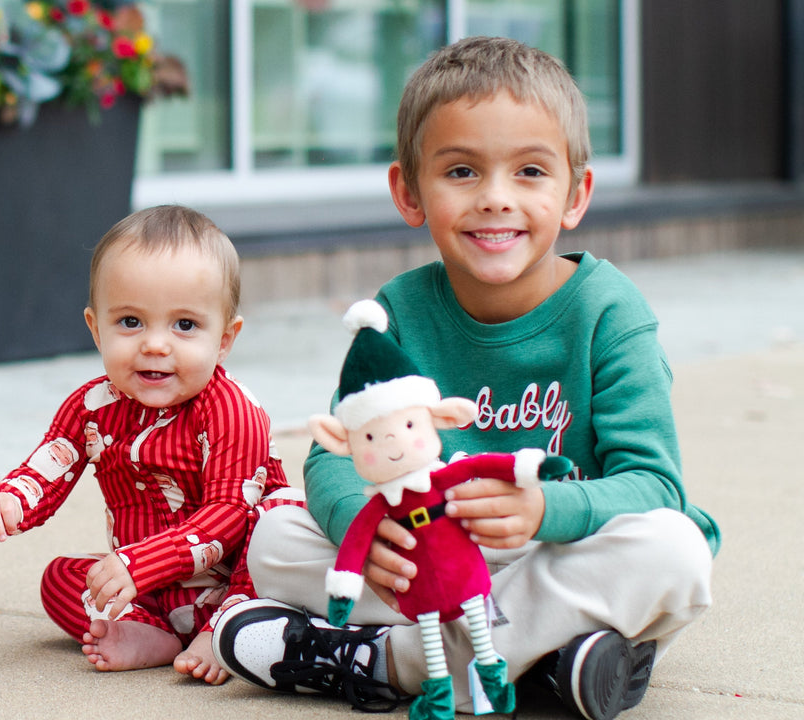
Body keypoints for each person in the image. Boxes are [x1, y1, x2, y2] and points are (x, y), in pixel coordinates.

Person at [213, 36, 720, 720]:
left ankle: (391, 663)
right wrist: (367, 530)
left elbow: (655, 484)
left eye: (531, 172)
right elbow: (335, 456)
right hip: (431, 558)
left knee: (676, 551)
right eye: (461, 172)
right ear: (409, 191)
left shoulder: (609, 312)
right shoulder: (398, 311)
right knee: (278, 537)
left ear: (576, 194)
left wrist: (546, 510)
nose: (495, 199)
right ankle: (553, 661)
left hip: (560, 550)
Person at [0, 205, 299, 685]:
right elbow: (48, 466)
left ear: (224, 340)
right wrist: (10, 498)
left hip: (232, 577)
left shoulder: (229, 408)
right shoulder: (93, 406)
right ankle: (148, 630)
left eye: (184, 325)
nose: (155, 345)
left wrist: (141, 563)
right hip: (145, 584)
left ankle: (229, 623)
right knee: (60, 579)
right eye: (131, 322)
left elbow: (226, 517)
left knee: (280, 515)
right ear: (96, 328)